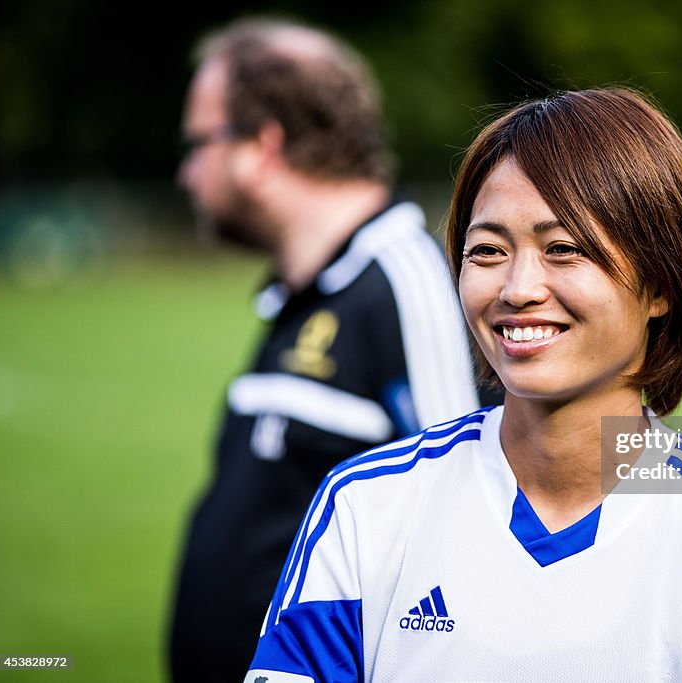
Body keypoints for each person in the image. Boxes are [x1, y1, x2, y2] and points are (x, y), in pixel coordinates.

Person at [246, 88, 682, 682]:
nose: (516, 288)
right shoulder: (365, 507)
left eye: (563, 249)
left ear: (663, 285)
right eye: (486, 250)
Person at [168, 17, 488, 682]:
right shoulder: (308, 290)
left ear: (260, 146)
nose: (185, 172)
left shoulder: (401, 282)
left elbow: (473, 532)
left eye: (198, 143)